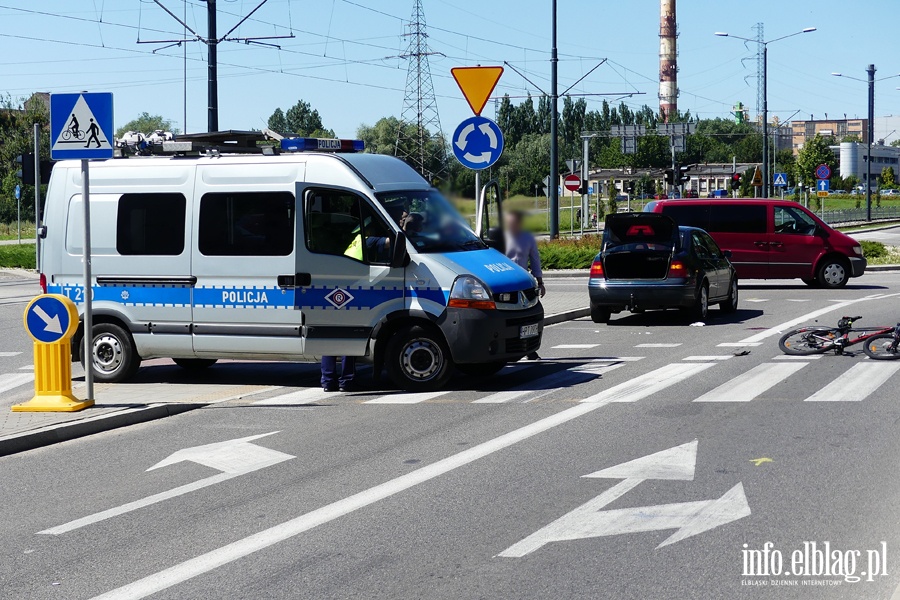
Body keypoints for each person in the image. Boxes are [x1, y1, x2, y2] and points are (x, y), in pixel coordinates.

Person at [504, 210, 544, 360]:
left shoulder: (527, 238)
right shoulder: (502, 238)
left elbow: (535, 261)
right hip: (504, 285)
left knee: (528, 318)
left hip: (523, 284)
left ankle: (529, 349)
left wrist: (540, 282)